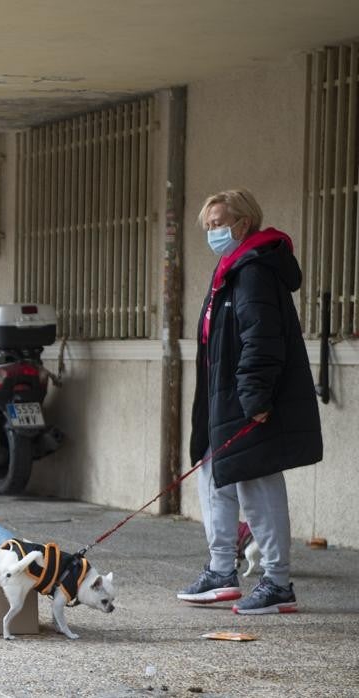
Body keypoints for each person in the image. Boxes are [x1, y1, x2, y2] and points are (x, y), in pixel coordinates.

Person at [176, 189, 322, 615]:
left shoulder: (254, 269)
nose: (212, 232)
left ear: (243, 223)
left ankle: (277, 583)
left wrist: (255, 396)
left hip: (246, 397)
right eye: (208, 226)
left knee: (257, 482)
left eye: (218, 224)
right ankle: (222, 570)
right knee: (214, 474)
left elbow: (261, 338)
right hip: (224, 397)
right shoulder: (232, 268)